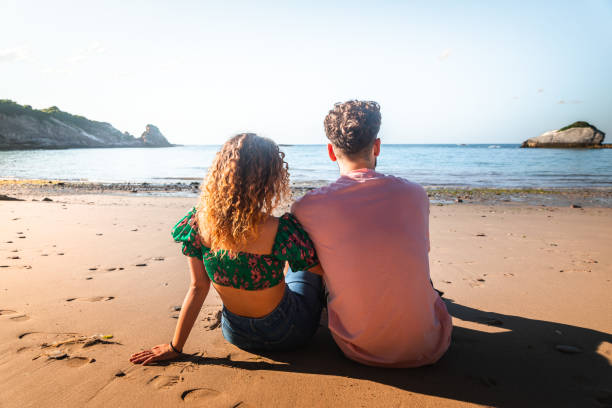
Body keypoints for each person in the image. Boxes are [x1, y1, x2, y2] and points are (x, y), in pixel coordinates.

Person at [130, 133, 323, 366]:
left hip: (235, 333)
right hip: (288, 333)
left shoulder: (197, 223)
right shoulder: (280, 229)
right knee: (303, 271)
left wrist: (174, 347)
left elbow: (198, 287)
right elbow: (323, 271)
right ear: (269, 180)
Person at [291, 100, 452, 367]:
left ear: (331, 152)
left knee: (304, 257)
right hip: (431, 344)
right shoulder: (415, 193)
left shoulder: (307, 206)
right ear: (377, 146)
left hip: (358, 348)